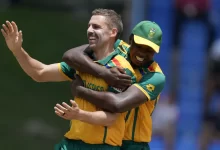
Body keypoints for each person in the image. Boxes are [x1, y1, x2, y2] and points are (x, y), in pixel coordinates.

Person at [1, 9, 136, 150]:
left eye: (96, 27)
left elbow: (111, 118)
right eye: (89, 26)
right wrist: (17, 50)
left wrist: (79, 115)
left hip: (101, 147)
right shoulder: (83, 62)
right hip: (71, 144)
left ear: (112, 32)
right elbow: (39, 73)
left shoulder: (122, 70)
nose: (90, 30)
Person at [60, 21, 166, 150]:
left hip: (133, 145)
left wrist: (80, 90)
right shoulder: (117, 48)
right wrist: (104, 73)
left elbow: (118, 104)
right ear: (130, 39)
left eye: (149, 50)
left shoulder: (155, 76)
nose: (142, 53)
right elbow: (70, 55)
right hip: (109, 141)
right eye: (139, 46)